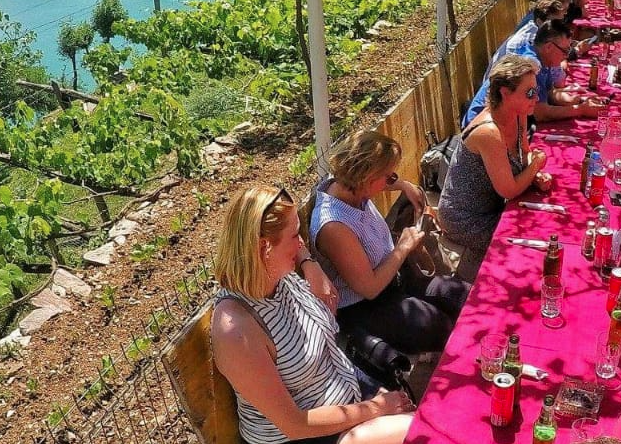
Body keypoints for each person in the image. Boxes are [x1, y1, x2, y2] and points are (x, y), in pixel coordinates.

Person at [212, 185, 414, 444]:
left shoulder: (274, 277)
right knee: (421, 430)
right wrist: (376, 408)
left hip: (344, 395)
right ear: (264, 248)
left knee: (428, 424)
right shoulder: (237, 330)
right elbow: (294, 425)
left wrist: (309, 263)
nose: (302, 244)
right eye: (296, 236)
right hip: (306, 436)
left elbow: (293, 247)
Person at [311, 132, 470, 354]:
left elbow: (374, 177)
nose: (390, 180)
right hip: (364, 305)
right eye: (388, 176)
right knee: (440, 326)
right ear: (366, 178)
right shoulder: (334, 226)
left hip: (393, 277)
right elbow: (369, 288)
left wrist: (403, 185)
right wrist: (403, 247)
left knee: (464, 295)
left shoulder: (348, 184)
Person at [441, 55, 551, 276]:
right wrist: (536, 166)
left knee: (544, 227)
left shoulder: (518, 113)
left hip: (493, 206)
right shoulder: (489, 132)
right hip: (466, 218)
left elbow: (526, 154)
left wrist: (533, 171)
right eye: (529, 92)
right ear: (505, 92)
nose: (536, 97)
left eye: (535, 90)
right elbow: (508, 190)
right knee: (531, 245)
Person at [463, 21, 605, 126]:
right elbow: (540, 113)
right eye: (565, 51)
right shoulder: (531, 65)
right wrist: (581, 110)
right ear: (549, 47)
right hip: (481, 126)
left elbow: (549, 93)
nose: (567, 56)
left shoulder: (542, 56)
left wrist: (580, 101)